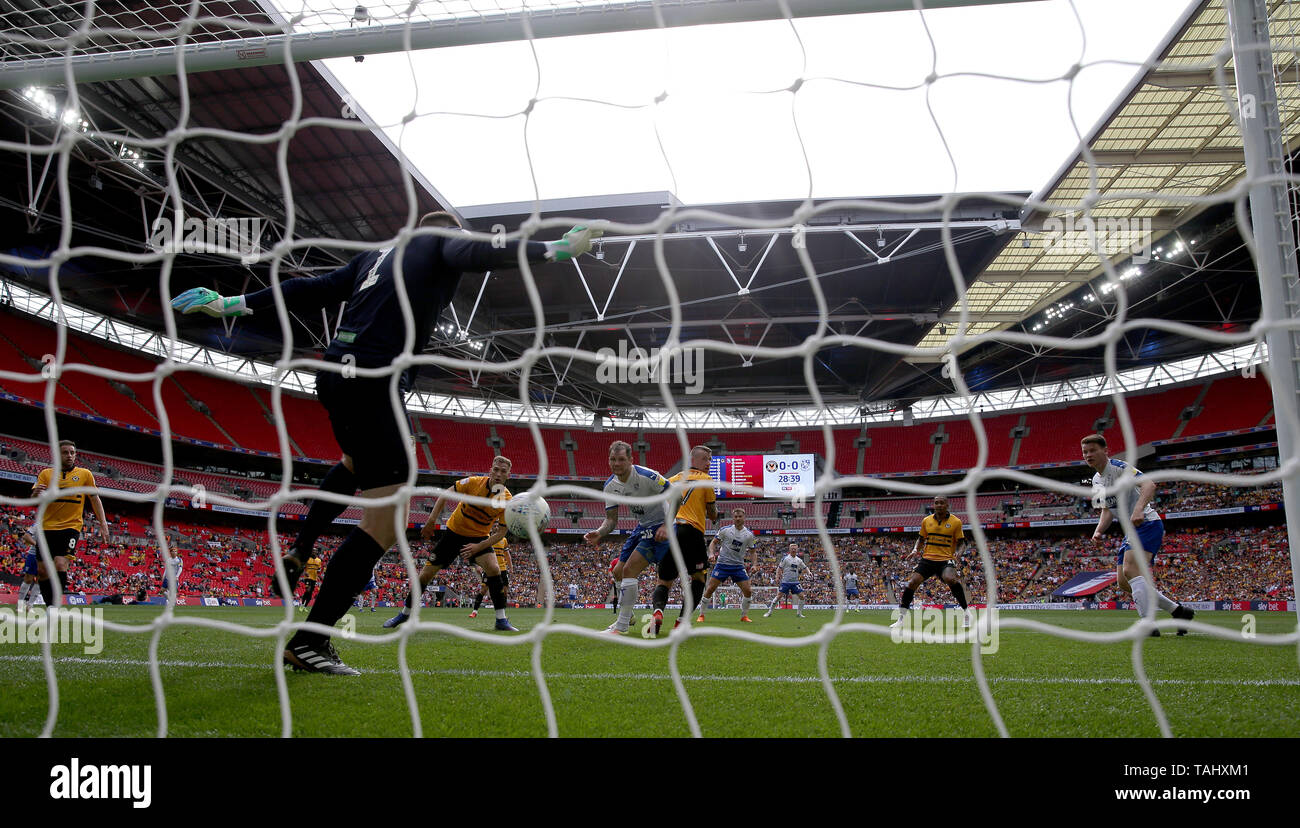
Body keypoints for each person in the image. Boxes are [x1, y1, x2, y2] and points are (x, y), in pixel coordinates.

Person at [173, 213, 601, 674]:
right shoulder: (440, 240)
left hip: (335, 376)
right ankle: (311, 640)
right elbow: (478, 252)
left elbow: (309, 289)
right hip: (375, 381)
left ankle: (305, 543)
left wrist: (230, 303)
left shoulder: (372, 256)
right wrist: (554, 249)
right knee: (386, 520)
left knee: (355, 464)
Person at [383, 456, 517, 631]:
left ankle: (501, 620)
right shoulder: (474, 483)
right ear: (490, 470)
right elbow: (445, 494)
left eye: (503, 471)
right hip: (453, 534)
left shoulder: (507, 500)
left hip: (479, 538)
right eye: (496, 469)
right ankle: (405, 614)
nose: (498, 474)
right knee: (425, 575)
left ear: (508, 475)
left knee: (494, 569)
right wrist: (431, 521)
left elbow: (501, 533)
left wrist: (478, 547)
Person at [1083, 433, 1194, 635]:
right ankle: (1178, 611)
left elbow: (1149, 484)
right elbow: (1107, 510)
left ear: (1105, 451)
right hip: (1131, 531)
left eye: (1092, 450)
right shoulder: (1096, 480)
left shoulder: (1119, 467)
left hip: (1148, 523)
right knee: (1124, 582)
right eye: (1085, 452)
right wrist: (1098, 531)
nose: (1088, 455)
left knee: (1131, 570)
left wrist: (1138, 509)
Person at [583, 440, 670, 635]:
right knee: (618, 572)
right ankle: (627, 615)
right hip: (641, 527)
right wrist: (600, 532)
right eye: (613, 459)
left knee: (629, 570)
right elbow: (611, 520)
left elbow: (675, 494)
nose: (616, 464)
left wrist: (666, 524)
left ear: (631, 460)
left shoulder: (648, 476)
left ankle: (621, 627)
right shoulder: (610, 486)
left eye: (621, 459)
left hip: (660, 527)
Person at [30, 440, 110, 607]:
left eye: (72, 452)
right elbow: (35, 501)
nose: (70, 455)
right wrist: (35, 494)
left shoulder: (85, 474)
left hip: (71, 527)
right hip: (46, 527)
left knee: (60, 563)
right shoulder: (46, 474)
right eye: (65, 452)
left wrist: (103, 523)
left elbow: (95, 499)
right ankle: (49, 604)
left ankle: (54, 606)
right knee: (43, 571)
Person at [652, 445, 718, 634]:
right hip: (692, 532)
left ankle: (658, 612)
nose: (709, 463)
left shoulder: (671, 480)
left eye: (710, 460)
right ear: (694, 460)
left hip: (671, 532)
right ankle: (681, 622)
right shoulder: (706, 480)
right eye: (705, 459)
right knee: (698, 578)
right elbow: (712, 514)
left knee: (664, 581)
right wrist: (713, 513)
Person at [892, 496, 971, 629]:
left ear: (947, 505)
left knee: (950, 578)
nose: (939, 505)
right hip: (928, 558)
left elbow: (962, 543)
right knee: (912, 582)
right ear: (933, 505)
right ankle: (901, 618)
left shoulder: (956, 522)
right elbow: (921, 539)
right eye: (936, 503)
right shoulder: (926, 521)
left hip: (945, 558)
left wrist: (959, 553)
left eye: (941, 503)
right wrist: (916, 549)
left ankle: (967, 613)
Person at [696, 507, 757, 623]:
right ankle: (701, 615)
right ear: (733, 518)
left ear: (744, 518)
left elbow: (753, 551)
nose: (738, 518)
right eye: (736, 517)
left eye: (740, 516)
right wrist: (711, 553)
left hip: (738, 566)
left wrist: (754, 564)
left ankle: (744, 616)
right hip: (722, 565)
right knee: (710, 589)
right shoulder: (725, 530)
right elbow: (713, 543)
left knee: (748, 591)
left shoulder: (749, 535)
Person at [469, 524, 511, 618]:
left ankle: (502, 614)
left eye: (497, 526)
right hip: (489, 568)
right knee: (483, 590)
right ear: (491, 528)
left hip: (502, 569)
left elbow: (507, 555)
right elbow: (478, 553)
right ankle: (474, 611)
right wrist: (478, 566)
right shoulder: (486, 539)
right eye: (494, 526)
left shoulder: (504, 540)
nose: (496, 527)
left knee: (504, 591)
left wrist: (511, 567)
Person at [764, 543, 808, 618]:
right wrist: (777, 577)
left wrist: (809, 572)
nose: (793, 550)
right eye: (792, 548)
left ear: (797, 550)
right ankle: (769, 612)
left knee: (802, 596)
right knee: (779, 596)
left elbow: (805, 567)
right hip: (786, 582)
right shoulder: (785, 558)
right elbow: (779, 568)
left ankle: (799, 613)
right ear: (789, 550)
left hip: (795, 582)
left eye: (795, 548)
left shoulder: (799, 560)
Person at [15, 520, 40, 612]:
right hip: (33, 555)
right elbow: (26, 536)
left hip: (46, 557)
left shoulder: (56, 526)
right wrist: (38, 545)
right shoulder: (38, 524)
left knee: (39, 581)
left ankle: (30, 605)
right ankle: (20, 605)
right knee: (28, 579)